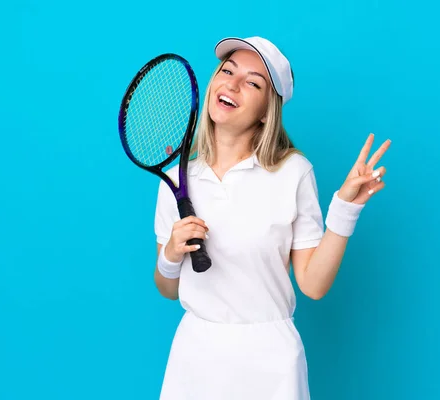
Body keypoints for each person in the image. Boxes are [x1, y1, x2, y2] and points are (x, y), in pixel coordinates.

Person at [152, 36, 391, 400]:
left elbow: (312, 283)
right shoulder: (177, 179)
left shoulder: (294, 173)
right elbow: (168, 289)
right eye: (227, 71)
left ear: (267, 110)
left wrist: (345, 208)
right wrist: (170, 253)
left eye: (252, 82)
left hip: (270, 362)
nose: (232, 83)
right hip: (195, 359)